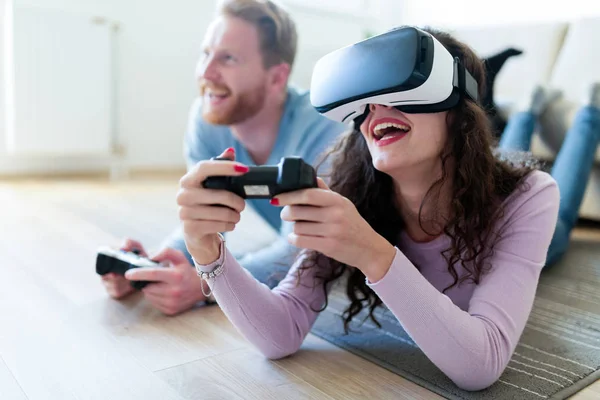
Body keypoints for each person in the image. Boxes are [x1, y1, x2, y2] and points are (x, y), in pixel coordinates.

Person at [176, 26, 561, 391]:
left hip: (522, 225)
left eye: (399, 90)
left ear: (454, 109)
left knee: (557, 195)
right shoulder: (355, 196)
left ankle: (573, 116)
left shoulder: (528, 197)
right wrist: (207, 252)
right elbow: (279, 335)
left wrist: (369, 250)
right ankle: (527, 111)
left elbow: (481, 365)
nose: (375, 108)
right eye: (365, 103)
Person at [100, 0, 346, 315]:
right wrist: (154, 267)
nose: (205, 72)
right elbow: (206, 220)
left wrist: (208, 283)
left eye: (228, 58)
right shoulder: (207, 119)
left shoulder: (324, 130)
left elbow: (305, 250)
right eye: (205, 54)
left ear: (276, 78)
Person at [499, 83, 600, 265]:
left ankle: (590, 112)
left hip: (514, 245)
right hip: (493, 217)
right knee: (507, 176)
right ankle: (525, 113)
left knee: (560, 217)